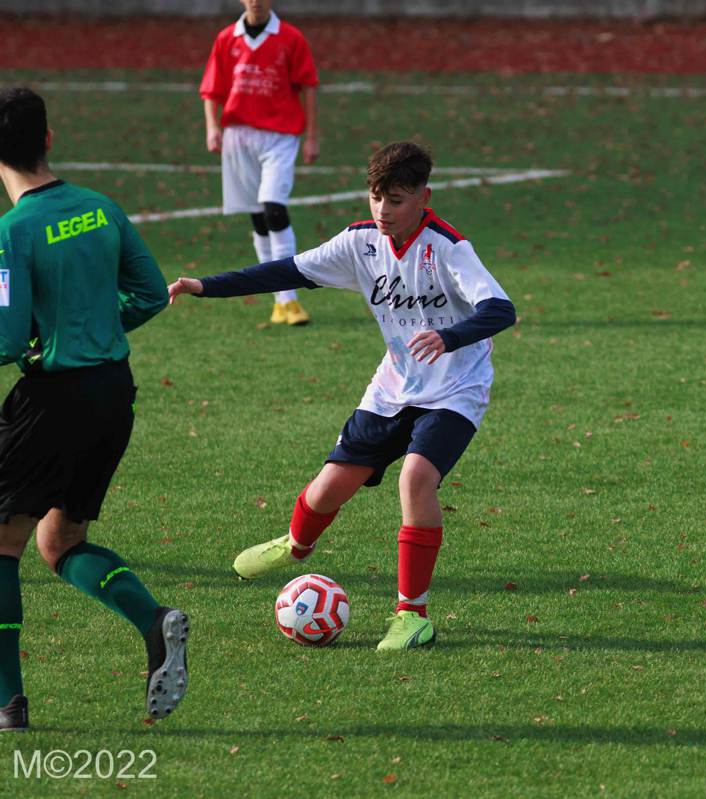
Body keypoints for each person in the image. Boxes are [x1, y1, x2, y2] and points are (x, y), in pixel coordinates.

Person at [168, 141, 516, 651]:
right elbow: (287, 270)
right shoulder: (360, 243)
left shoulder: (447, 247)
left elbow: (500, 309)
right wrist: (204, 285)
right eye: (376, 197)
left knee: (416, 478)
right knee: (327, 489)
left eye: (396, 200)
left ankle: (412, 615)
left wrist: (450, 337)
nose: (382, 210)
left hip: (455, 389)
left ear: (423, 197)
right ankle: (296, 545)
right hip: (393, 386)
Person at [0, 88, 188, 731]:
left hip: (52, 402)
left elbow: (7, 340)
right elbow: (151, 294)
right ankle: (153, 620)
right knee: (60, 541)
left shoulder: (13, 231)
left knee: (3, 544)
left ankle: (8, 703)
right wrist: (98, 326)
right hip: (113, 394)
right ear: (49, 139)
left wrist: (47, 340)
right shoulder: (101, 207)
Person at [200, 0, 319, 326]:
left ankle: (290, 298)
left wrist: (312, 136)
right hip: (239, 135)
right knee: (257, 216)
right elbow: (212, 88)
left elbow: (308, 86)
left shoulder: (291, 37)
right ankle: (279, 301)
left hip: (280, 135)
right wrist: (212, 127)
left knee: (273, 208)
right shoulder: (227, 38)